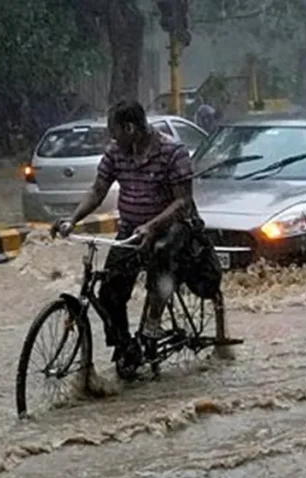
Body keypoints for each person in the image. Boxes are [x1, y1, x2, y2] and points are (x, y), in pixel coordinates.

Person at [52, 100, 199, 367]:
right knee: (110, 291)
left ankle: (154, 320)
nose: (112, 137)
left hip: (171, 227)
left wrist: (152, 226)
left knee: (160, 255)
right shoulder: (116, 152)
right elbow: (98, 190)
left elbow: (183, 203)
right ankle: (125, 346)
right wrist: (72, 220)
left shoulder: (173, 152)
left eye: (114, 131)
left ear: (130, 128)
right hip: (131, 230)